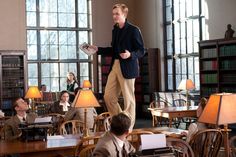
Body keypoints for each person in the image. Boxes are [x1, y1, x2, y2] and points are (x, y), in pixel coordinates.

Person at [89, 3, 145, 129]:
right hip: (115, 65)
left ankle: (128, 127)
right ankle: (121, 122)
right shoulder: (115, 30)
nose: (114, 16)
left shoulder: (134, 30)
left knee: (129, 100)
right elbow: (113, 50)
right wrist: (97, 49)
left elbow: (142, 50)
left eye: (117, 14)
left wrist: (130, 54)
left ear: (124, 14)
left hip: (128, 67)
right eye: (113, 14)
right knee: (108, 97)